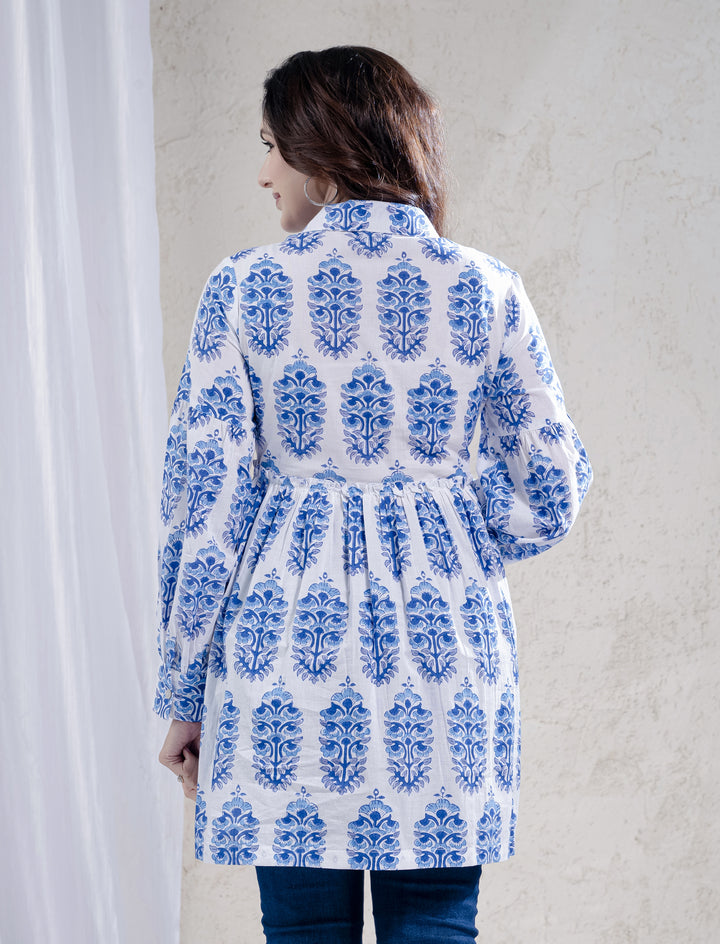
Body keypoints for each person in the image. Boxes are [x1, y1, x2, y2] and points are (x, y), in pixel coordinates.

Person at [156, 45, 592, 944]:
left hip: (285, 670)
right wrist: (445, 505)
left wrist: (184, 693)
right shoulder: (486, 288)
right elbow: (552, 489)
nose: (263, 173)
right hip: (449, 672)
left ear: (322, 150)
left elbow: (204, 508)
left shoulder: (244, 289)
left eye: (271, 145)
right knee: (436, 925)